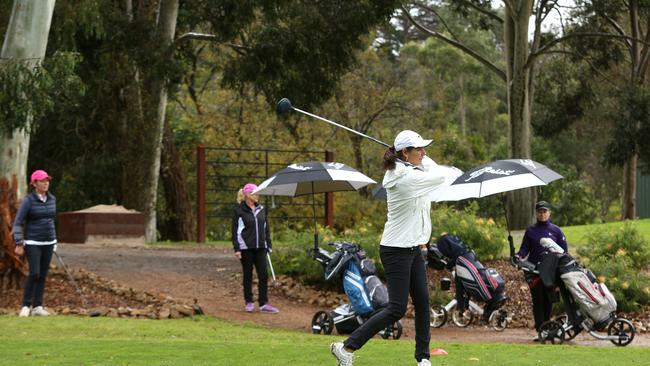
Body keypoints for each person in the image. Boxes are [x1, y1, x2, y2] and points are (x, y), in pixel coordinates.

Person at [330, 130, 461, 366]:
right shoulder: (405, 179)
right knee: (396, 308)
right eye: (418, 149)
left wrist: (415, 155)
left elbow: (429, 164)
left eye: (423, 148)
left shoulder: (410, 168)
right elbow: (439, 174)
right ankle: (346, 347)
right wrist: (449, 169)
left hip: (412, 249)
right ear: (404, 153)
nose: (424, 153)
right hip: (395, 250)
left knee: (422, 302)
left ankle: (423, 358)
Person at [516, 200, 568, 340]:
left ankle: (546, 328)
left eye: (545, 211)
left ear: (549, 213)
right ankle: (541, 330)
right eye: (540, 212)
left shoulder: (556, 231)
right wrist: (518, 256)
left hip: (551, 272)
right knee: (538, 301)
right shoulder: (531, 231)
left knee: (549, 301)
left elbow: (564, 251)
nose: (542, 214)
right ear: (536, 213)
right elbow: (524, 249)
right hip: (535, 271)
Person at [13, 170, 57, 317]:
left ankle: (37, 306)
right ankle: (26, 305)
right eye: (42, 181)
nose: (46, 183)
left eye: (47, 180)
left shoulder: (52, 199)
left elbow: (51, 221)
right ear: (34, 183)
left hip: (48, 242)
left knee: (43, 274)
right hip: (33, 242)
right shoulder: (28, 201)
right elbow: (18, 222)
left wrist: (54, 239)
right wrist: (19, 241)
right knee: (35, 273)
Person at [231, 183, 279, 314]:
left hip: (261, 247)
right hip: (245, 247)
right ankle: (249, 302)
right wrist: (237, 248)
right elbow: (235, 231)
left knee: (263, 274)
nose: (257, 195)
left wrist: (268, 244)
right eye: (255, 193)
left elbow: (266, 228)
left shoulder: (262, 209)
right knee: (248, 274)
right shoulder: (239, 211)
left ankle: (263, 303)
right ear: (247, 194)